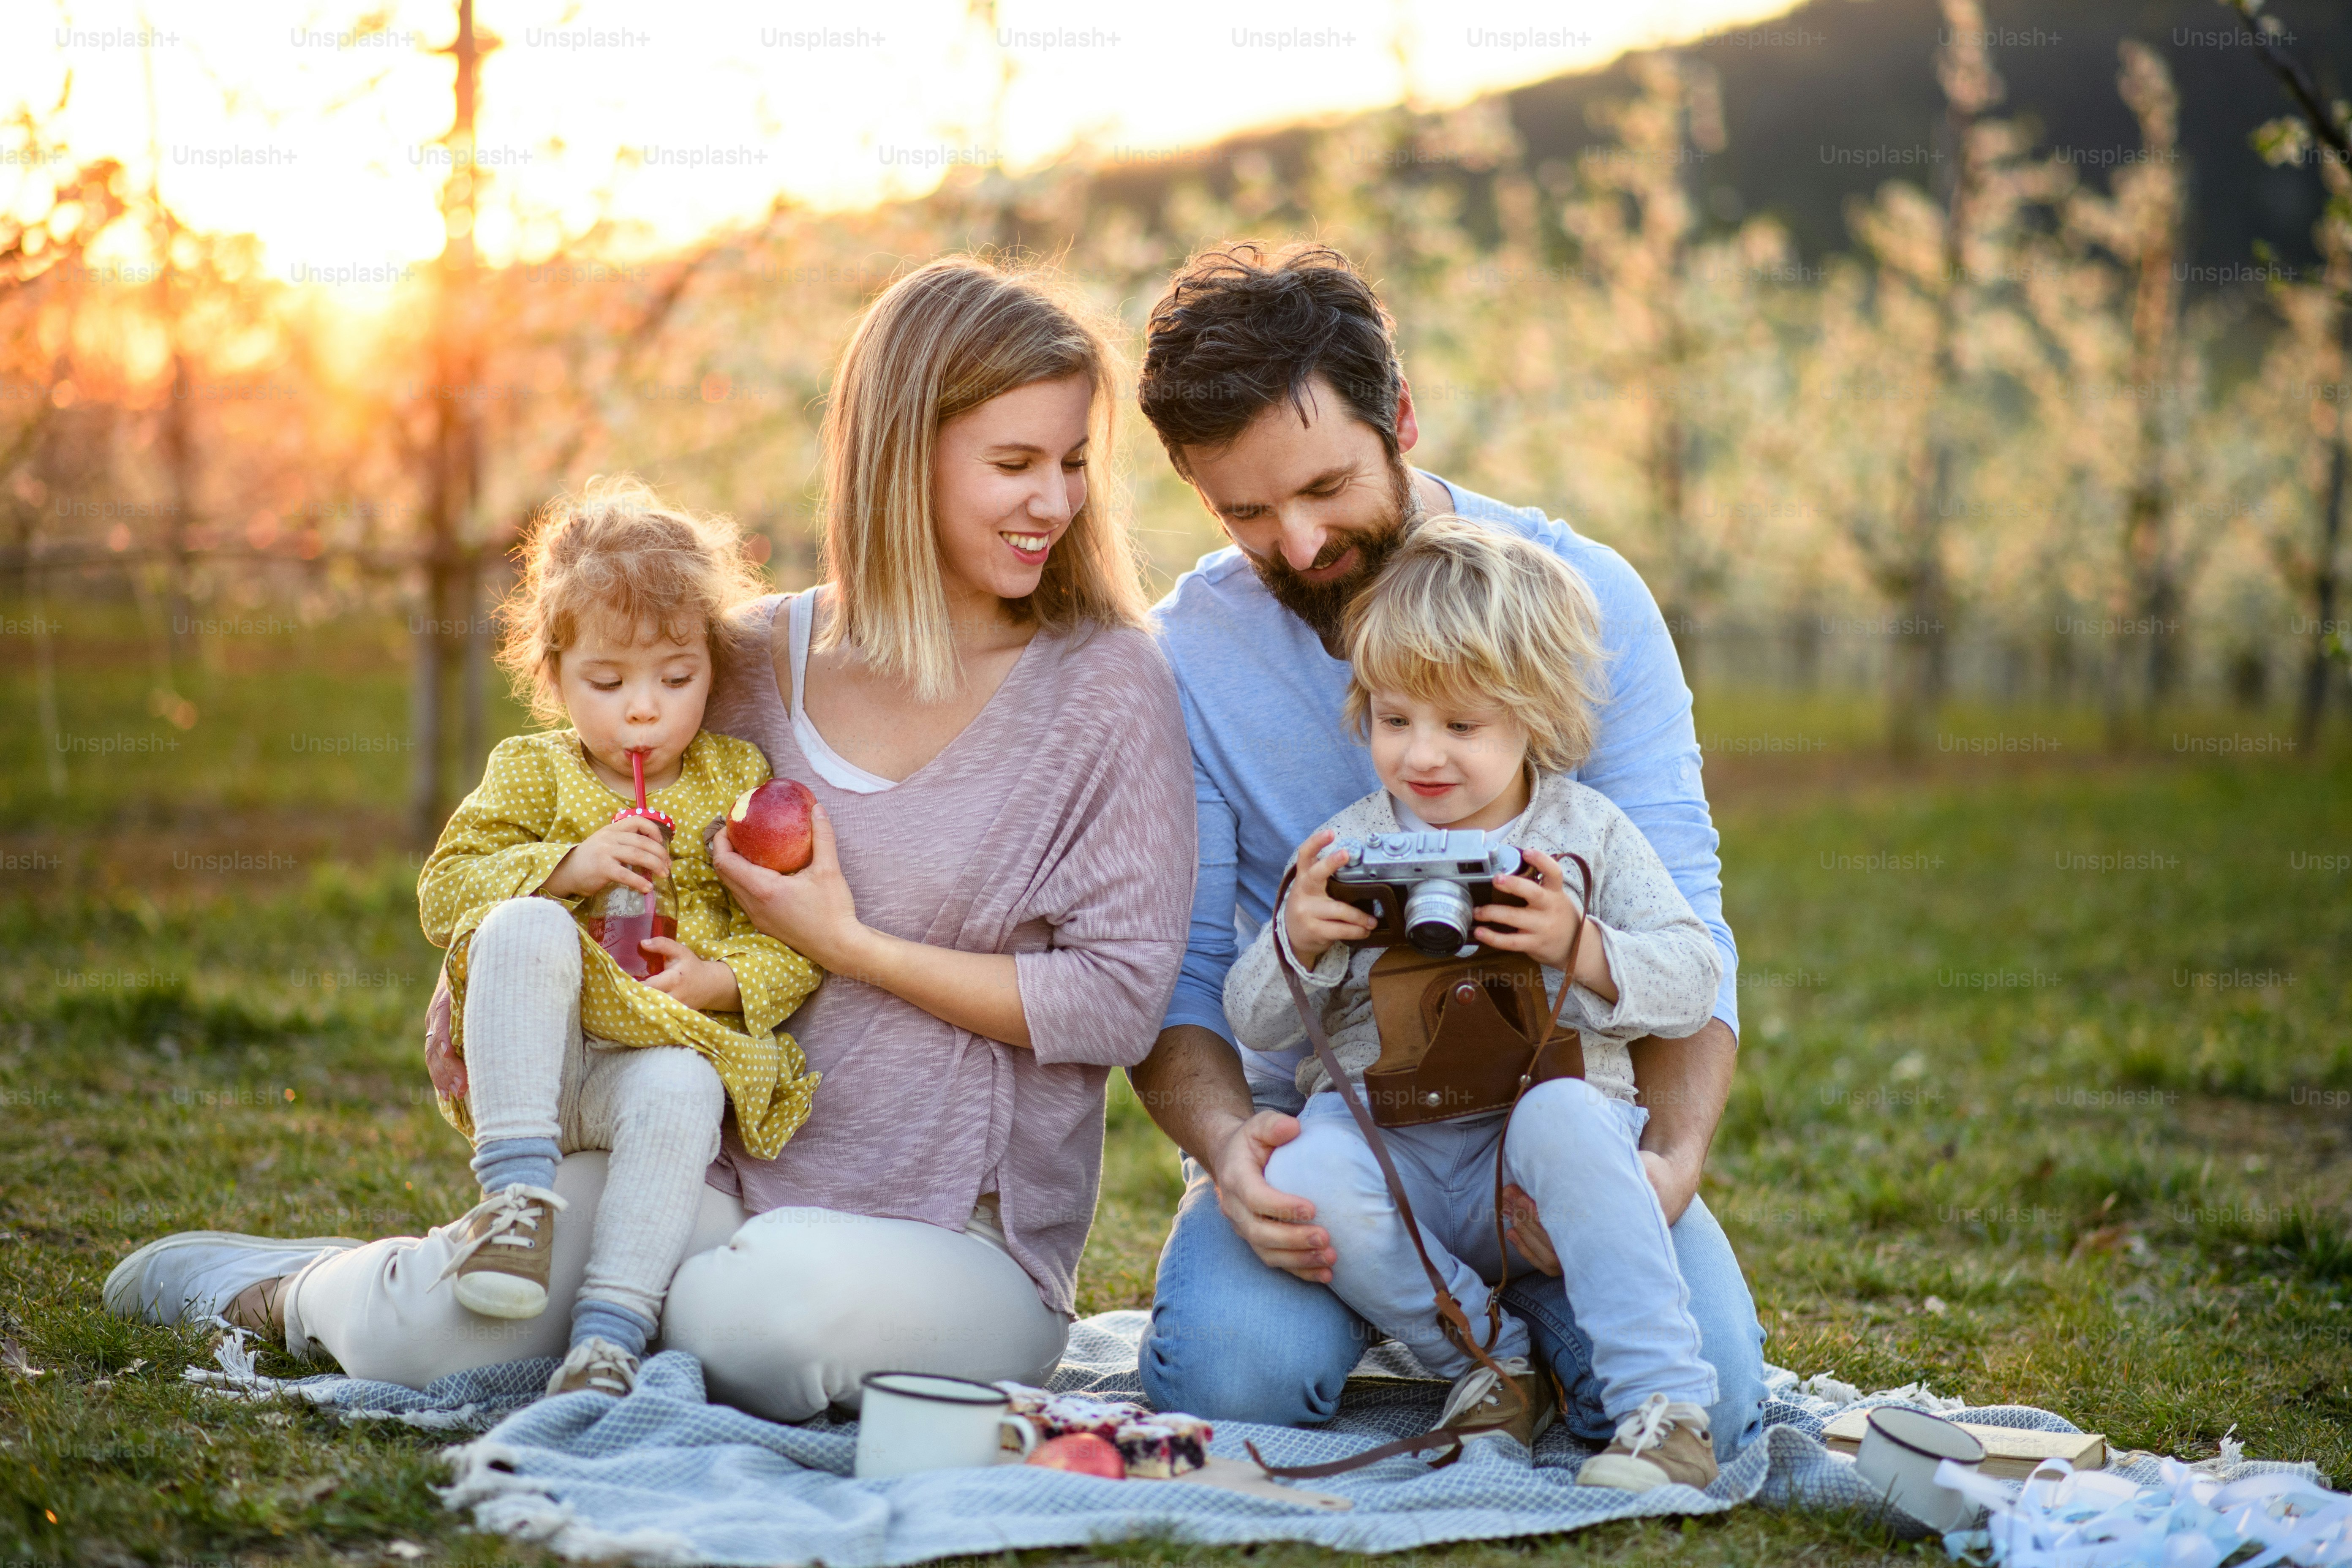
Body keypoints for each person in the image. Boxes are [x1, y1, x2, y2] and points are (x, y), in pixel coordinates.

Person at [104, 256, 1195, 1421]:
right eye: (1016, 464)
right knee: (461, 1320)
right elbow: (600, 838)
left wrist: (850, 943)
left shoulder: (1104, 685)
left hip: (961, 1245)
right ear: (897, 456)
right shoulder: (742, 664)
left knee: (762, 1322)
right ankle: (295, 1288)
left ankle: (620, 1308)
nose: (1058, 502)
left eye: (1075, 463)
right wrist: (478, 970)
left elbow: (1115, 1003)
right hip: (707, 1169)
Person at [1131, 241, 1768, 1460]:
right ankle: (1465, 1339)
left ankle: (1550, 1330)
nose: (1303, 544)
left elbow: (1688, 924)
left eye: (1326, 488)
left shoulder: (1581, 600)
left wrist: (1670, 1166)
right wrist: (1229, 1154)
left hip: (1561, 1119)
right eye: (1247, 513)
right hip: (1353, 1134)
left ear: (1402, 419)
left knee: (1727, 1409)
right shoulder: (1187, 657)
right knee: (1230, 1381)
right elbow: (1192, 976)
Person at [1224, 517, 1724, 1490]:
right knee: (1311, 1165)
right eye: (1396, 718)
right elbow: (1255, 1018)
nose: (1424, 755)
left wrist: (1580, 946)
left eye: (1463, 726)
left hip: (1539, 1166)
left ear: (1533, 716)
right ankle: (1487, 1359)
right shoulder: (1343, 847)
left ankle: (1666, 1409)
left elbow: (1694, 980)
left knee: (1573, 1115)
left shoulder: (1587, 834)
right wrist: (1302, 937)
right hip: (1397, 1149)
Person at [419, 477, 821, 1400]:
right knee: (521, 920)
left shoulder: (735, 779)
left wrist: (718, 978)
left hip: (631, 1074)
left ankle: (610, 1332)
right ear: (554, 677)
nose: (645, 709)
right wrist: (568, 867)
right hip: (536, 1064)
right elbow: (444, 892)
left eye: (677, 678)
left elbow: (793, 938)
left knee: (687, 1080)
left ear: (711, 670)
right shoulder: (533, 771)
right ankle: (514, 1209)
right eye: (607, 682)